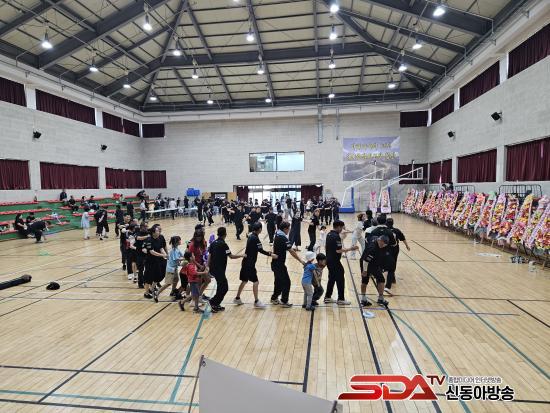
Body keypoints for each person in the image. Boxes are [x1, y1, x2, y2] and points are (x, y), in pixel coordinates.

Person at [234, 222, 277, 308]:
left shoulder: (251, 236)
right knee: (256, 282)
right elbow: (261, 250)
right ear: (260, 229)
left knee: (244, 281)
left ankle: (237, 298)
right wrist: (271, 254)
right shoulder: (255, 238)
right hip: (249, 264)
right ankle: (256, 301)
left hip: (245, 262)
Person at [208, 227, 246, 312]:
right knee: (224, 287)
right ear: (225, 234)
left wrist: (207, 267)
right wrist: (241, 255)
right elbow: (231, 256)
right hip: (219, 270)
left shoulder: (213, 243)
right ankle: (213, 302)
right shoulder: (223, 245)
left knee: (220, 286)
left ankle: (216, 304)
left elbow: (209, 256)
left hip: (213, 269)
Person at [323, 220, 358, 305]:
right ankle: (341, 299)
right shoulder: (336, 236)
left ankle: (327, 297)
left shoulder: (329, 234)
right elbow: (338, 250)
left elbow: (326, 247)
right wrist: (351, 248)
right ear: (338, 227)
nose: (342, 229)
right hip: (335, 261)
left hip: (329, 260)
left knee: (332, 278)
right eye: (342, 227)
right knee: (340, 279)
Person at [271, 221, 305, 307]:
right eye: (288, 228)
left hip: (275, 263)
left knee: (278, 282)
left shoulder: (277, 234)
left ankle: (274, 298)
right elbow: (291, 251)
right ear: (285, 229)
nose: (289, 230)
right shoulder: (283, 238)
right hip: (279, 264)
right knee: (286, 282)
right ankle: (284, 301)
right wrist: (301, 260)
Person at [361, 234, 391, 307]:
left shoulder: (375, 238)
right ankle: (363, 299)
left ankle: (381, 298)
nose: (383, 246)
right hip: (366, 263)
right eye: (382, 244)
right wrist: (365, 271)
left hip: (374, 263)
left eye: (385, 245)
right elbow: (366, 261)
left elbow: (367, 238)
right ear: (380, 240)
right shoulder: (372, 248)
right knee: (365, 281)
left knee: (381, 279)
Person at [384, 218, 410, 295]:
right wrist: (407, 246)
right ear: (393, 223)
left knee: (387, 262)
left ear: (386, 223)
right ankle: (392, 277)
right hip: (395, 249)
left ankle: (390, 277)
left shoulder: (385, 231)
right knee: (393, 262)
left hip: (387, 248)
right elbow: (403, 238)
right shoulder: (397, 230)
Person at [154, 236, 184, 302]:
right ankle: (157, 293)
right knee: (168, 283)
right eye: (179, 240)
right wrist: (184, 260)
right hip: (171, 269)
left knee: (176, 279)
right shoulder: (173, 250)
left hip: (174, 268)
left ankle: (172, 292)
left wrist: (186, 257)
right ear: (176, 242)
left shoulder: (177, 249)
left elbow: (182, 255)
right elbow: (176, 259)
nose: (180, 241)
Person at [143, 224, 167, 299]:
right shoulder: (149, 240)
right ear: (153, 233)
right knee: (148, 278)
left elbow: (161, 248)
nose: (159, 231)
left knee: (159, 275)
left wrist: (165, 255)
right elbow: (152, 252)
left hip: (158, 261)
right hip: (150, 262)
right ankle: (146, 293)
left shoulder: (159, 238)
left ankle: (152, 288)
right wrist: (162, 255)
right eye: (157, 231)